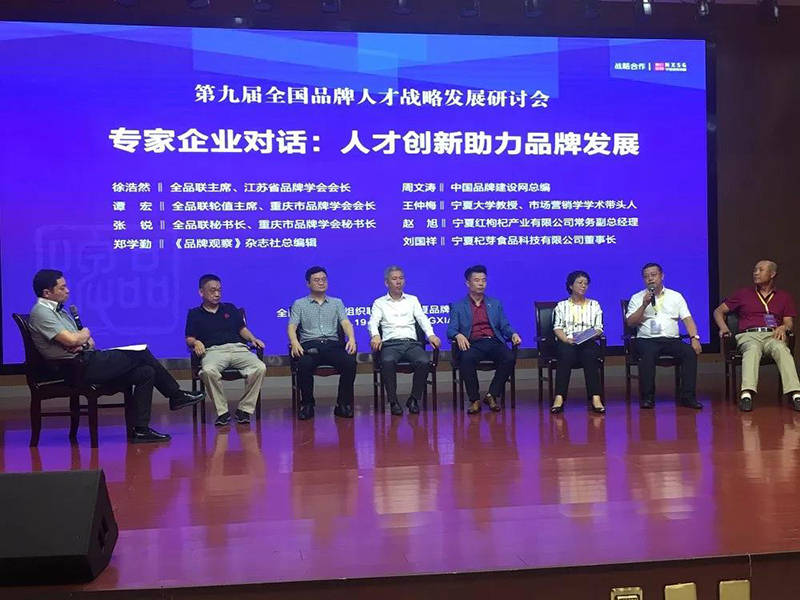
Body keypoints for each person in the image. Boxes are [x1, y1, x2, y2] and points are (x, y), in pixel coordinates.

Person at [27, 269, 204, 443]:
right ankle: (175, 395)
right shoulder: (41, 312)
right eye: (62, 288)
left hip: (86, 359)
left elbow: (89, 342)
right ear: (47, 293)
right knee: (141, 353)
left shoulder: (62, 312)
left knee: (146, 372)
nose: (67, 291)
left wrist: (81, 341)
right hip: (76, 368)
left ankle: (141, 430)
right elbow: (72, 339)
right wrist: (83, 334)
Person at [713, 260, 800, 411]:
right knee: (752, 349)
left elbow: (788, 322)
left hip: (772, 335)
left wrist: (783, 327)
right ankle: (746, 394)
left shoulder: (784, 296)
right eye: (755, 270)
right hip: (749, 335)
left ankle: (796, 394)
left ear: (772, 274)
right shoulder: (743, 294)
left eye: (761, 270)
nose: (756, 273)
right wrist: (724, 328)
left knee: (782, 349)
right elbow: (718, 311)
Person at [185, 274, 267, 427]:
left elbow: (242, 329)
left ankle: (244, 409)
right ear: (201, 292)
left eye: (219, 290)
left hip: (238, 349)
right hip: (213, 351)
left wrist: (253, 339)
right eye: (212, 291)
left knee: (260, 368)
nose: (217, 294)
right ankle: (222, 412)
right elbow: (189, 338)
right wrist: (196, 342)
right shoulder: (194, 314)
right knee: (208, 371)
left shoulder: (230, 308)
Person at [626, 262, 703, 409]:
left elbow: (687, 319)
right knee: (647, 354)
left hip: (671, 340)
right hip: (647, 340)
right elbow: (630, 323)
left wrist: (694, 338)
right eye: (646, 276)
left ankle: (687, 397)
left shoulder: (676, 296)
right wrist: (644, 305)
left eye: (653, 275)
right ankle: (648, 398)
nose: (650, 279)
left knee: (689, 352)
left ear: (662, 276)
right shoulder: (637, 298)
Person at [447, 265, 521, 414]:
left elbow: (504, 325)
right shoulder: (458, 306)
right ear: (468, 283)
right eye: (477, 280)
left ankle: (492, 394)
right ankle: (474, 399)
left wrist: (513, 333)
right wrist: (458, 335)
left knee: (509, 357)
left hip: (493, 341)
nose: (481, 284)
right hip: (472, 343)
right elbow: (450, 329)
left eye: (484, 280)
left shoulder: (495, 303)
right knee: (466, 358)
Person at [369, 266, 441, 416]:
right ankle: (393, 401)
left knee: (423, 361)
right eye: (394, 279)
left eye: (401, 278)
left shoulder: (412, 300)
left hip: (411, 344)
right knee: (387, 362)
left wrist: (431, 335)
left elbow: (422, 319)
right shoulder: (379, 303)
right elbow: (373, 322)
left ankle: (414, 399)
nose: (398, 281)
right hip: (390, 344)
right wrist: (375, 335)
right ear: (386, 282)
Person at [288, 266, 357, 420]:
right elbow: (292, 326)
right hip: (310, 345)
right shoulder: (299, 304)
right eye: (317, 280)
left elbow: (346, 323)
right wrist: (294, 342)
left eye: (324, 280)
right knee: (304, 364)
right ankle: (307, 405)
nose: (321, 283)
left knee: (349, 363)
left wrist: (352, 338)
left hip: (332, 345)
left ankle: (342, 405)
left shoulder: (336, 303)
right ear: (308, 284)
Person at [551, 270, 605, 414]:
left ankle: (595, 397)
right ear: (570, 286)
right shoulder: (561, 305)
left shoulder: (594, 304)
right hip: (567, 341)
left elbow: (599, 328)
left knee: (589, 355)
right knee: (566, 354)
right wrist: (566, 339)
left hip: (588, 341)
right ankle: (559, 397)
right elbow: (557, 327)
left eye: (586, 283)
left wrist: (590, 335)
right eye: (580, 283)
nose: (583, 286)